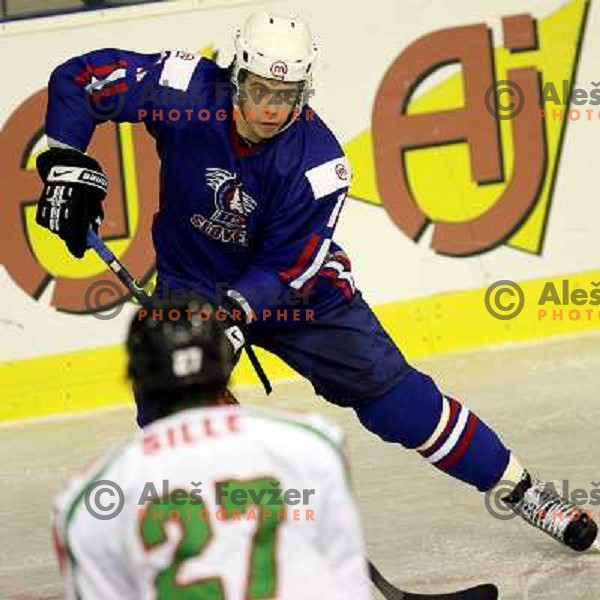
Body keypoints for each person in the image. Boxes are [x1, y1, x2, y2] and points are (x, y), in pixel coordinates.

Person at [37, 11, 598, 552]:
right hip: (193, 286)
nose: (271, 107)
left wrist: (232, 318)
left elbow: (290, 266)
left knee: (397, 400)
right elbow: (83, 77)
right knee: (170, 413)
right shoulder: (182, 87)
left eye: (286, 95)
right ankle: (216, 553)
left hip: (301, 296)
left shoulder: (318, 161)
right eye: (258, 89)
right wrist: (65, 159)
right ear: (235, 75)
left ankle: (523, 492)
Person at [52, 297, 372, 599]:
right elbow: (347, 582)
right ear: (222, 364)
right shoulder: (311, 444)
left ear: (137, 378)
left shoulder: (91, 496)